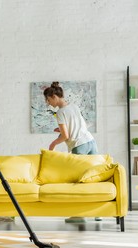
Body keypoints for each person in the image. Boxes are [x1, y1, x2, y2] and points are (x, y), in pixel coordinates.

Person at [43, 81, 101, 223]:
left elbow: (66, 136)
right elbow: (81, 126)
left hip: (79, 146)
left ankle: (79, 215)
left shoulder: (60, 113)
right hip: (90, 141)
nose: (48, 103)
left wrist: (53, 144)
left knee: (78, 181)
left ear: (54, 96)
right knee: (95, 178)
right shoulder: (74, 107)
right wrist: (61, 130)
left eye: (48, 100)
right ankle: (98, 213)